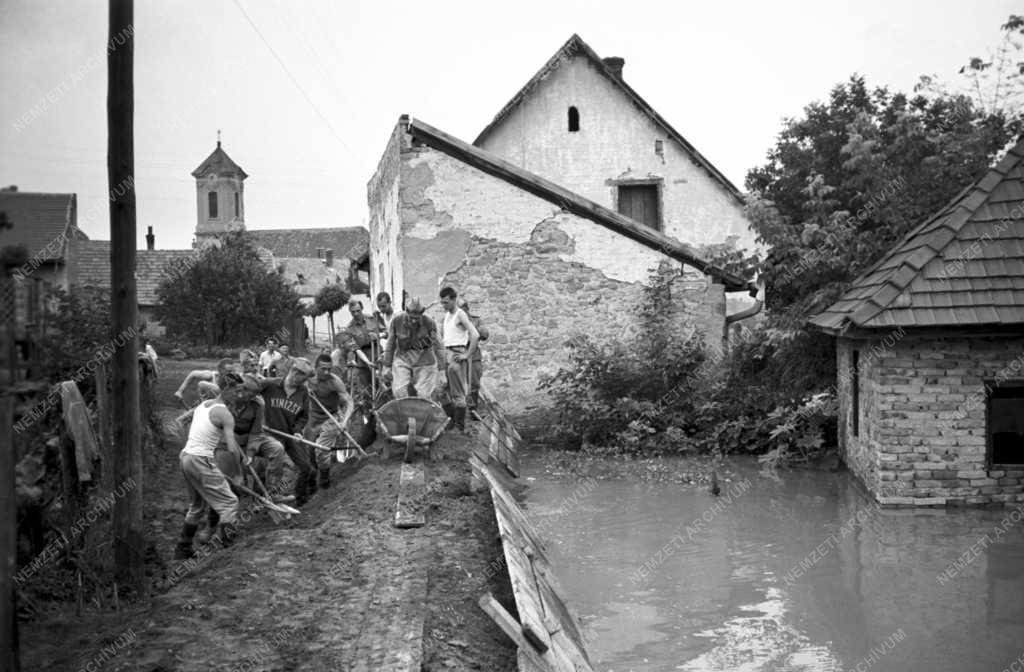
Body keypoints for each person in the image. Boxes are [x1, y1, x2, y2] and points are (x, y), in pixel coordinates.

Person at [175, 372, 247, 559]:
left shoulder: (203, 406)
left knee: (197, 506)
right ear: (227, 389)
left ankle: (183, 548)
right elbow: (232, 448)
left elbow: (187, 428)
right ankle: (226, 551)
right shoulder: (225, 414)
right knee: (230, 502)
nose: (240, 396)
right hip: (200, 459)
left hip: (186, 456)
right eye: (237, 391)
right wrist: (238, 474)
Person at [259, 357, 315, 506]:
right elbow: (249, 393)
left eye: (305, 379)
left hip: (289, 434)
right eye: (302, 377)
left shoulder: (303, 392)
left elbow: (303, 416)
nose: (303, 382)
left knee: (305, 467)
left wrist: (297, 431)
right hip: (269, 433)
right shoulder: (270, 385)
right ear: (294, 371)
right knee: (273, 464)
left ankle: (301, 499)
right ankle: (268, 497)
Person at [303, 354, 354, 489]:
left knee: (321, 449)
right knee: (309, 450)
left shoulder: (334, 381)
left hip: (331, 418)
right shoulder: (308, 378)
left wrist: (344, 421)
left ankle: (324, 480)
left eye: (329, 369)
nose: (326, 372)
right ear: (316, 368)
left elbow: (349, 401)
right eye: (323, 369)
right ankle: (311, 479)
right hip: (312, 417)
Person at [382, 297, 444, 399]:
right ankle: (403, 413)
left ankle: (421, 413)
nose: (414, 321)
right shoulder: (397, 321)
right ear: (406, 311)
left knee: (424, 395)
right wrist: (387, 366)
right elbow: (390, 344)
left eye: (417, 318)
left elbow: (439, 347)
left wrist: (442, 371)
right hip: (403, 358)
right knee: (399, 392)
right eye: (411, 317)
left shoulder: (430, 323)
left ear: (422, 313)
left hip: (425, 359)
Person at [439, 287, 479, 432]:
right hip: (446, 354)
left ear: (454, 300)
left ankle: (459, 426)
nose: (444, 305)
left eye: (446, 302)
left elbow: (475, 335)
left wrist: (466, 355)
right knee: (442, 391)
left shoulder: (460, 314)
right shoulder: (447, 316)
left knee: (458, 394)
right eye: (442, 303)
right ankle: (451, 420)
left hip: (457, 354)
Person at [337, 299, 378, 414]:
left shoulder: (372, 319)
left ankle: (383, 411)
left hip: (377, 355)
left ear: (362, 309)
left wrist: (378, 335)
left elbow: (386, 333)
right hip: (362, 361)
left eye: (358, 311)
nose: (356, 314)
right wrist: (367, 362)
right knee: (365, 391)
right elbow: (356, 349)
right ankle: (367, 416)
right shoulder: (349, 328)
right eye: (353, 312)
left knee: (381, 385)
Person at [457, 298, 489, 412]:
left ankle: (472, 409)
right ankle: (458, 411)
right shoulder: (452, 321)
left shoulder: (476, 320)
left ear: (467, 309)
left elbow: (485, 335)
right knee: (457, 384)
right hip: (458, 355)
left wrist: (474, 328)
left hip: (473, 356)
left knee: (474, 383)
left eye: (464, 309)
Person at [372, 291, 396, 357]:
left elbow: (396, 335)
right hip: (388, 350)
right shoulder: (382, 316)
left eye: (383, 306)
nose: (381, 309)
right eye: (379, 307)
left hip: (397, 350)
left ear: (390, 303)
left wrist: (383, 335)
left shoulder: (397, 315)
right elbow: (384, 331)